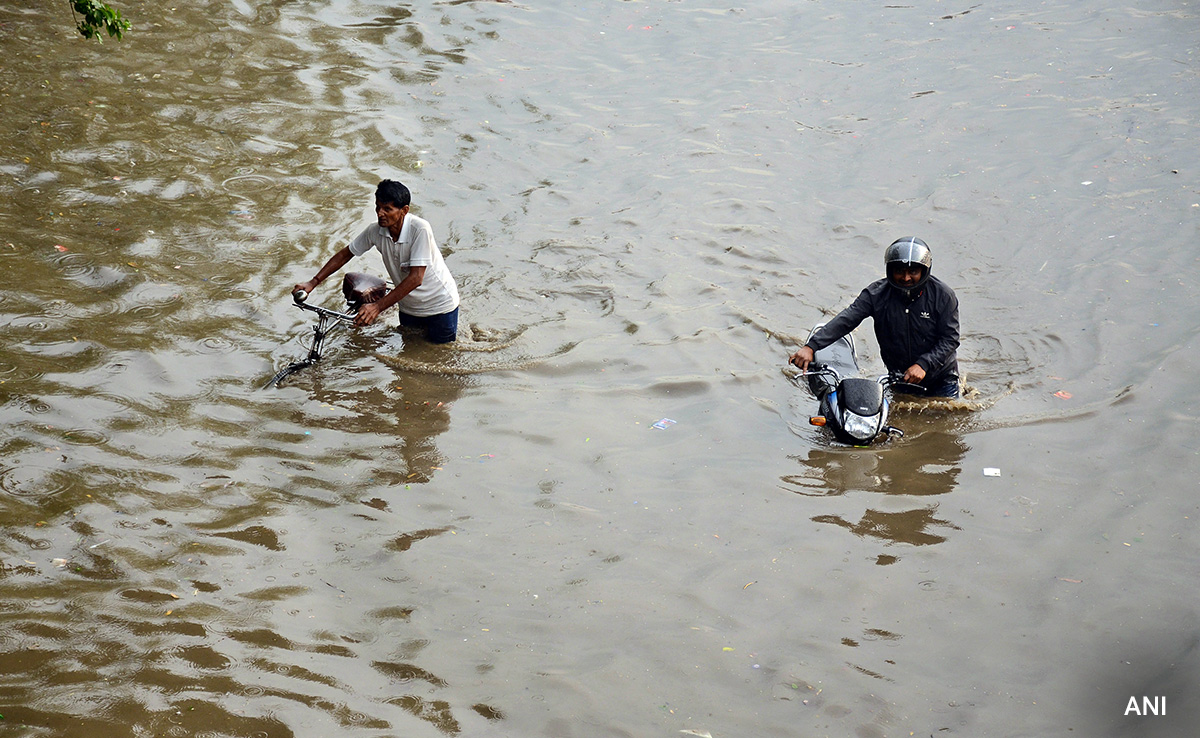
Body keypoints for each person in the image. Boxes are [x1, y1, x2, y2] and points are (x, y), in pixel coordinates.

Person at [789, 237, 960, 397]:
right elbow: (847, 319)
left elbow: (950, 339)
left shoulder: (943, 296)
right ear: (890, 270)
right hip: (899, 378)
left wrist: (924, 364)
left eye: (913, 271)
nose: (906, 278)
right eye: (900, 271)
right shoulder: (876, 294)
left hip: (941, 379)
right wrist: (811, 347)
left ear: (924, 271)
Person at [294, 179, 460, 343]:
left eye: (387, 209)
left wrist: (377, 307)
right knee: (409, 352)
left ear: (404, 210)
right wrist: (313, 282)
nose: (380, 213)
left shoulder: (419, 229)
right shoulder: (375, 231)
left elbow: (416, 278)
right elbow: (345, 254)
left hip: (440, 307)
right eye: (378, 207)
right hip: (409, 308)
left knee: (440, 358)